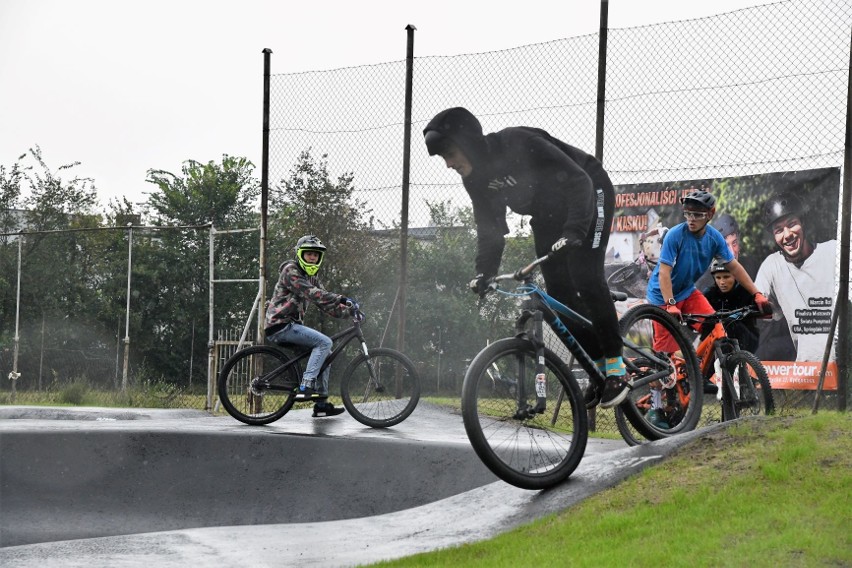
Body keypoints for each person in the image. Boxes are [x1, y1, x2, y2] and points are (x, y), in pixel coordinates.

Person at [422, 107, 629, 409]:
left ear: (468, 143)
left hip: (589, 189)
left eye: (451, 154)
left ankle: (616, 368)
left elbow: (578, 180)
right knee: (559, 295)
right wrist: (485, 272)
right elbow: (489, 228)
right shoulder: (475, 180)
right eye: (444, 158)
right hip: (547, 215)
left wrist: (574, 231)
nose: (449, 164)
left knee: (585, 274)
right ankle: (600, 369)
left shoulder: (517, 142)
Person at [645, 190, 770, 391]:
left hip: (686, 292)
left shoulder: (714, 238)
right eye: (688, 214)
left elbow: (734, 267)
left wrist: (757, 294)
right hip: (662, 297)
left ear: (710, 214)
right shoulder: (675, 235)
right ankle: (657, 408)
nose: (691, 219)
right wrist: (669, 305)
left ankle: (700, 373)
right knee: (662, 363)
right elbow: (664, 274)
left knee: (716, 327)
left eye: (697, 215)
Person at [264, 235, 355, 417]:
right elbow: (313, 294)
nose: (312, 257)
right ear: (300, 255)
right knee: (324, 342)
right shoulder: (291, 271)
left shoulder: (311, 277)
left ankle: (321, 404)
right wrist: (341, 298)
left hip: (291, 326)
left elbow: (326, 304)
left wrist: (350, 312)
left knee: (326, 354)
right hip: (280, 325)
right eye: (309, 254)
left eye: (315, 255)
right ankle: (306, 385)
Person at [754, 193, 837, 362]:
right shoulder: (772, 266)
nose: (787, 235)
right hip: (807, 371)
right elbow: (757, 302)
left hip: (844, 365)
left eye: (792, 224)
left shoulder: (832, 251)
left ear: (803, 222)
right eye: (778, 230)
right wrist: (761, 306)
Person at [701, 261, 760, 353]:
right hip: (716, 337)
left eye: (726, 277)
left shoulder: (746, 292)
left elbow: (760, 308)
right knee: (709, 324)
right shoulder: (709, 294)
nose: (722, 282)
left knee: (730, 323)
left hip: (745, 338)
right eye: (718, 278)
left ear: (735, 277)